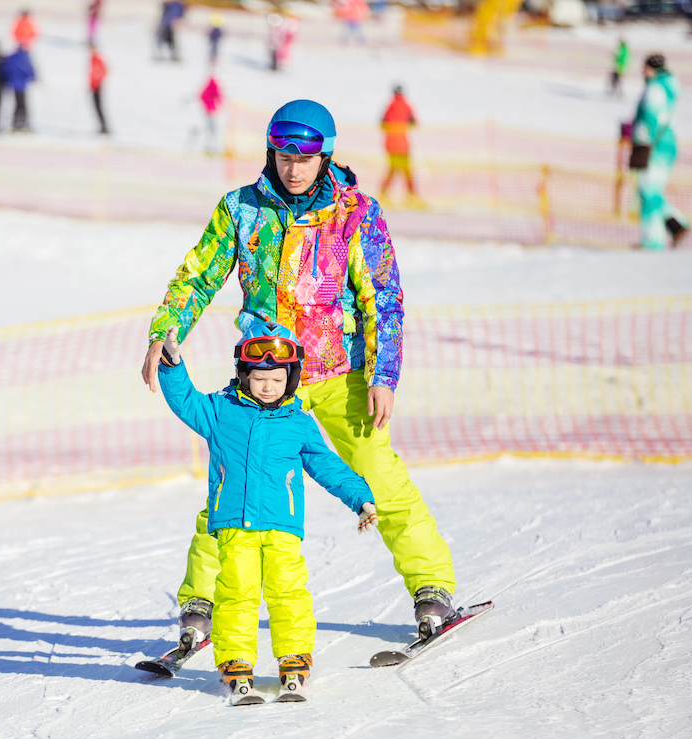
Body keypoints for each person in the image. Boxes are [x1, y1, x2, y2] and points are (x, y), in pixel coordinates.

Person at [141, 99, 458, 658]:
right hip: (265, 378)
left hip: (341, 372)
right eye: (285, 155)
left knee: (379, 479)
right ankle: (201, 604)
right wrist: (165, 331)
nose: (293, 169)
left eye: (306, 158)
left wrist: (384, 374)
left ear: (324, 157)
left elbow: (383, 297)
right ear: (271, 152)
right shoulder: (241, 209)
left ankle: (431, 589)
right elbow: (199, 274)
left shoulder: (355, 212)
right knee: (231, 487)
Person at [156, 320, 380, 702]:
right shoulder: (221, 410)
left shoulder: (299, 423)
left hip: (282, 526)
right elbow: (185, 401)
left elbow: (328, 465)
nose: (267, 386)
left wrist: (360, 497)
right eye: (259, 377)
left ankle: (294, 656)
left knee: (288, 592)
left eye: (277, 379)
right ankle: (236, 660)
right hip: (233, 525)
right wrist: (172, 364)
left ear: (290, 381)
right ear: (243, 375)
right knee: (236, 593)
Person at [630, 53, 690, 249]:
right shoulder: (668, 87)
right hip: (666, 143)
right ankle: (677, 224)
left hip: (655, 146)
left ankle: (653, 241)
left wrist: (641, 142)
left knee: (648, 192)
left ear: (649, 68)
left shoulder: (655, 88)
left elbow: (650, 118)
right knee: (651, 190)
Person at [379, 85, 421, 205]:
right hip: (402, 145)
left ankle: (384, 193)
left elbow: (382, 123)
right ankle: (411, 196)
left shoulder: (390, 106)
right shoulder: (406, 105)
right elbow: (415, 122)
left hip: (390, 145)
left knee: (392, 169)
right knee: (407, 170)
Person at [0, 45, 36, 133]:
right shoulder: (24, 58)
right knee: (22, 105)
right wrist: (32, 77)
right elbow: (29, 70)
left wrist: (7, 79)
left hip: (13, 84)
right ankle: (23, 124)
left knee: (17, 105)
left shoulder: (11, 57)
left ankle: (15, 123)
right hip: (21, 85)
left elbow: (6, 69)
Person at [199, 74, 223, 155]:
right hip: (212, 111)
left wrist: (206, 104)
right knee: (213, 130)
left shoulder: (208, 88)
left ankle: (210, 147)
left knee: (210, 129)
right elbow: (220, 97)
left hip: (209, 111)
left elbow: (201, 96)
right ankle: (213, 148)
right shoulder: (214, 88)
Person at [89, 44, 109, 135]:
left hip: (98, 86)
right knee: (95, 107)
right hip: (93, 86)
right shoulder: (92, 59)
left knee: (99, 107)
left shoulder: (98, 58)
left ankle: (104, 126)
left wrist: (98, 81)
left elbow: (104, 71)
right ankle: (101, 126)